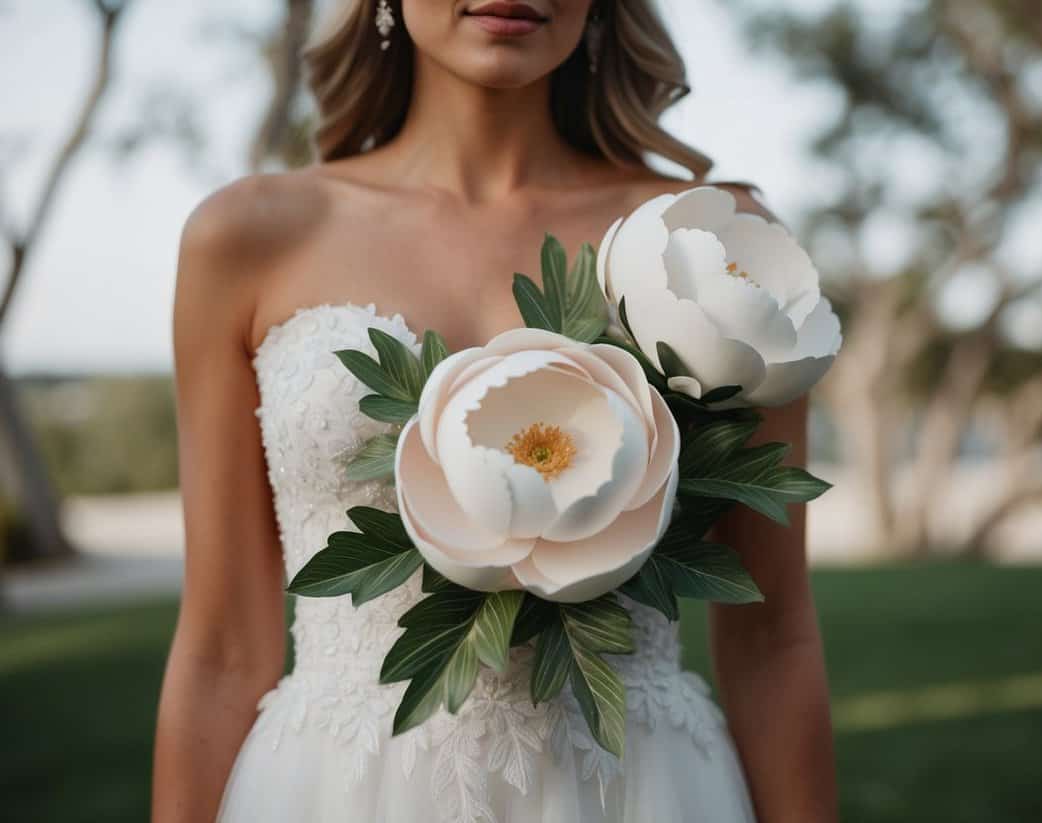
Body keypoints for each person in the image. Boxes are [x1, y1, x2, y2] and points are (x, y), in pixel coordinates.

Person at [152, 1, 836, 821]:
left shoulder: (706, 246)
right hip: (334, 789)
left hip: (638, 789)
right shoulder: (248, 237)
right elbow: (222, 650)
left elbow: (773, 637)